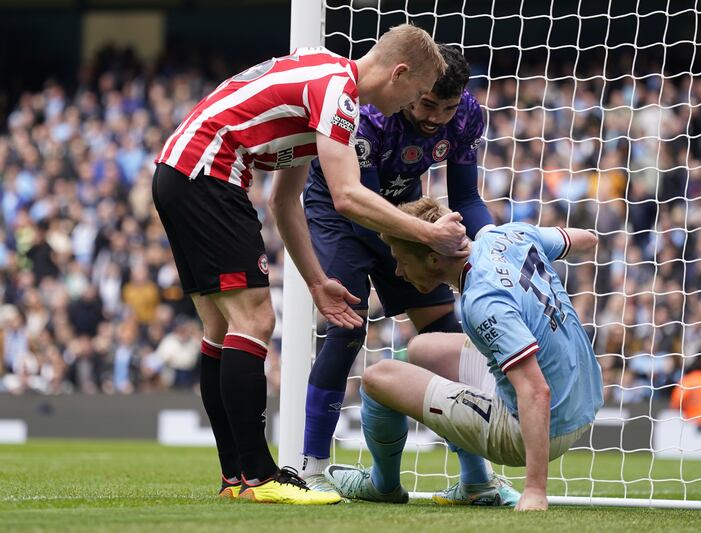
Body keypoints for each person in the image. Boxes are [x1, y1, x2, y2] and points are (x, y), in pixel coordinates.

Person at [152, 25, 470, 505]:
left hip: (181, 171)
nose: (413, 104)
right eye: (417, 92)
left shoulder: (318, 85)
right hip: (211, 172)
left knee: (220, 327)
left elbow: (284, 202)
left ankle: (236, 476)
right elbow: (346, 196)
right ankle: (261, 476)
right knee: (255, 320)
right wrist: (428, 233)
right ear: (399, 73)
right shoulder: (339, 92)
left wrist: (319, 282)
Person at [300, 44, 518, 505]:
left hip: (406, 214)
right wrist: (427, 240)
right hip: (344, 213)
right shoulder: (371, 115)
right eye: (427, 104)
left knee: (445, 337)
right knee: (347, 328)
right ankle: (313, 468)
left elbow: (466, 197)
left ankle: (476, 479)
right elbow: (361, 207)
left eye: (448, 106)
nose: (437, 117)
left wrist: (490, 248)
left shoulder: (467, 117)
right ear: (411, 90)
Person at [323, 197, 604, 511]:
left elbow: (536, 391)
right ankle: (474, 483)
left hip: (539, 428)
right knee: (422, 349)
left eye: (402, 260)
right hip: (586, 393)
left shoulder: (482, 301)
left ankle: (382, 485)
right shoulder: (506, 235)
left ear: (433, 260)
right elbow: (586, 239)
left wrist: (535, 491)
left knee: (377, 378)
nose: (399, 271)